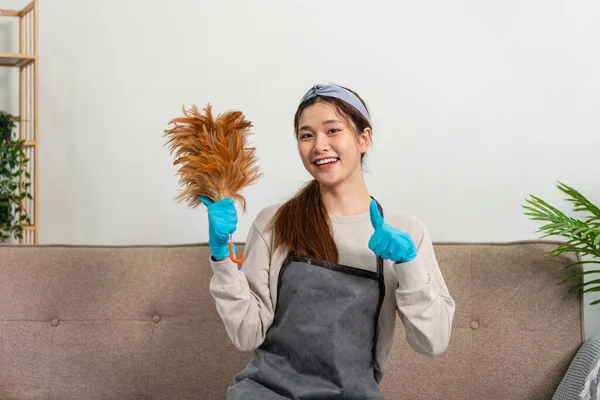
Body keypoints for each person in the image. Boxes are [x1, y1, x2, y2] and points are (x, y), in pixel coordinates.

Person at [199, 83, 456, 399]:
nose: (319, 145)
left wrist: (409, 265)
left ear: (364, 138)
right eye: (306, 135)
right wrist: (221, 256)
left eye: (332, 130)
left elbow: (433, 341)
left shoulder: (405, 231)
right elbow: (246, 334)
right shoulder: (274, 222)